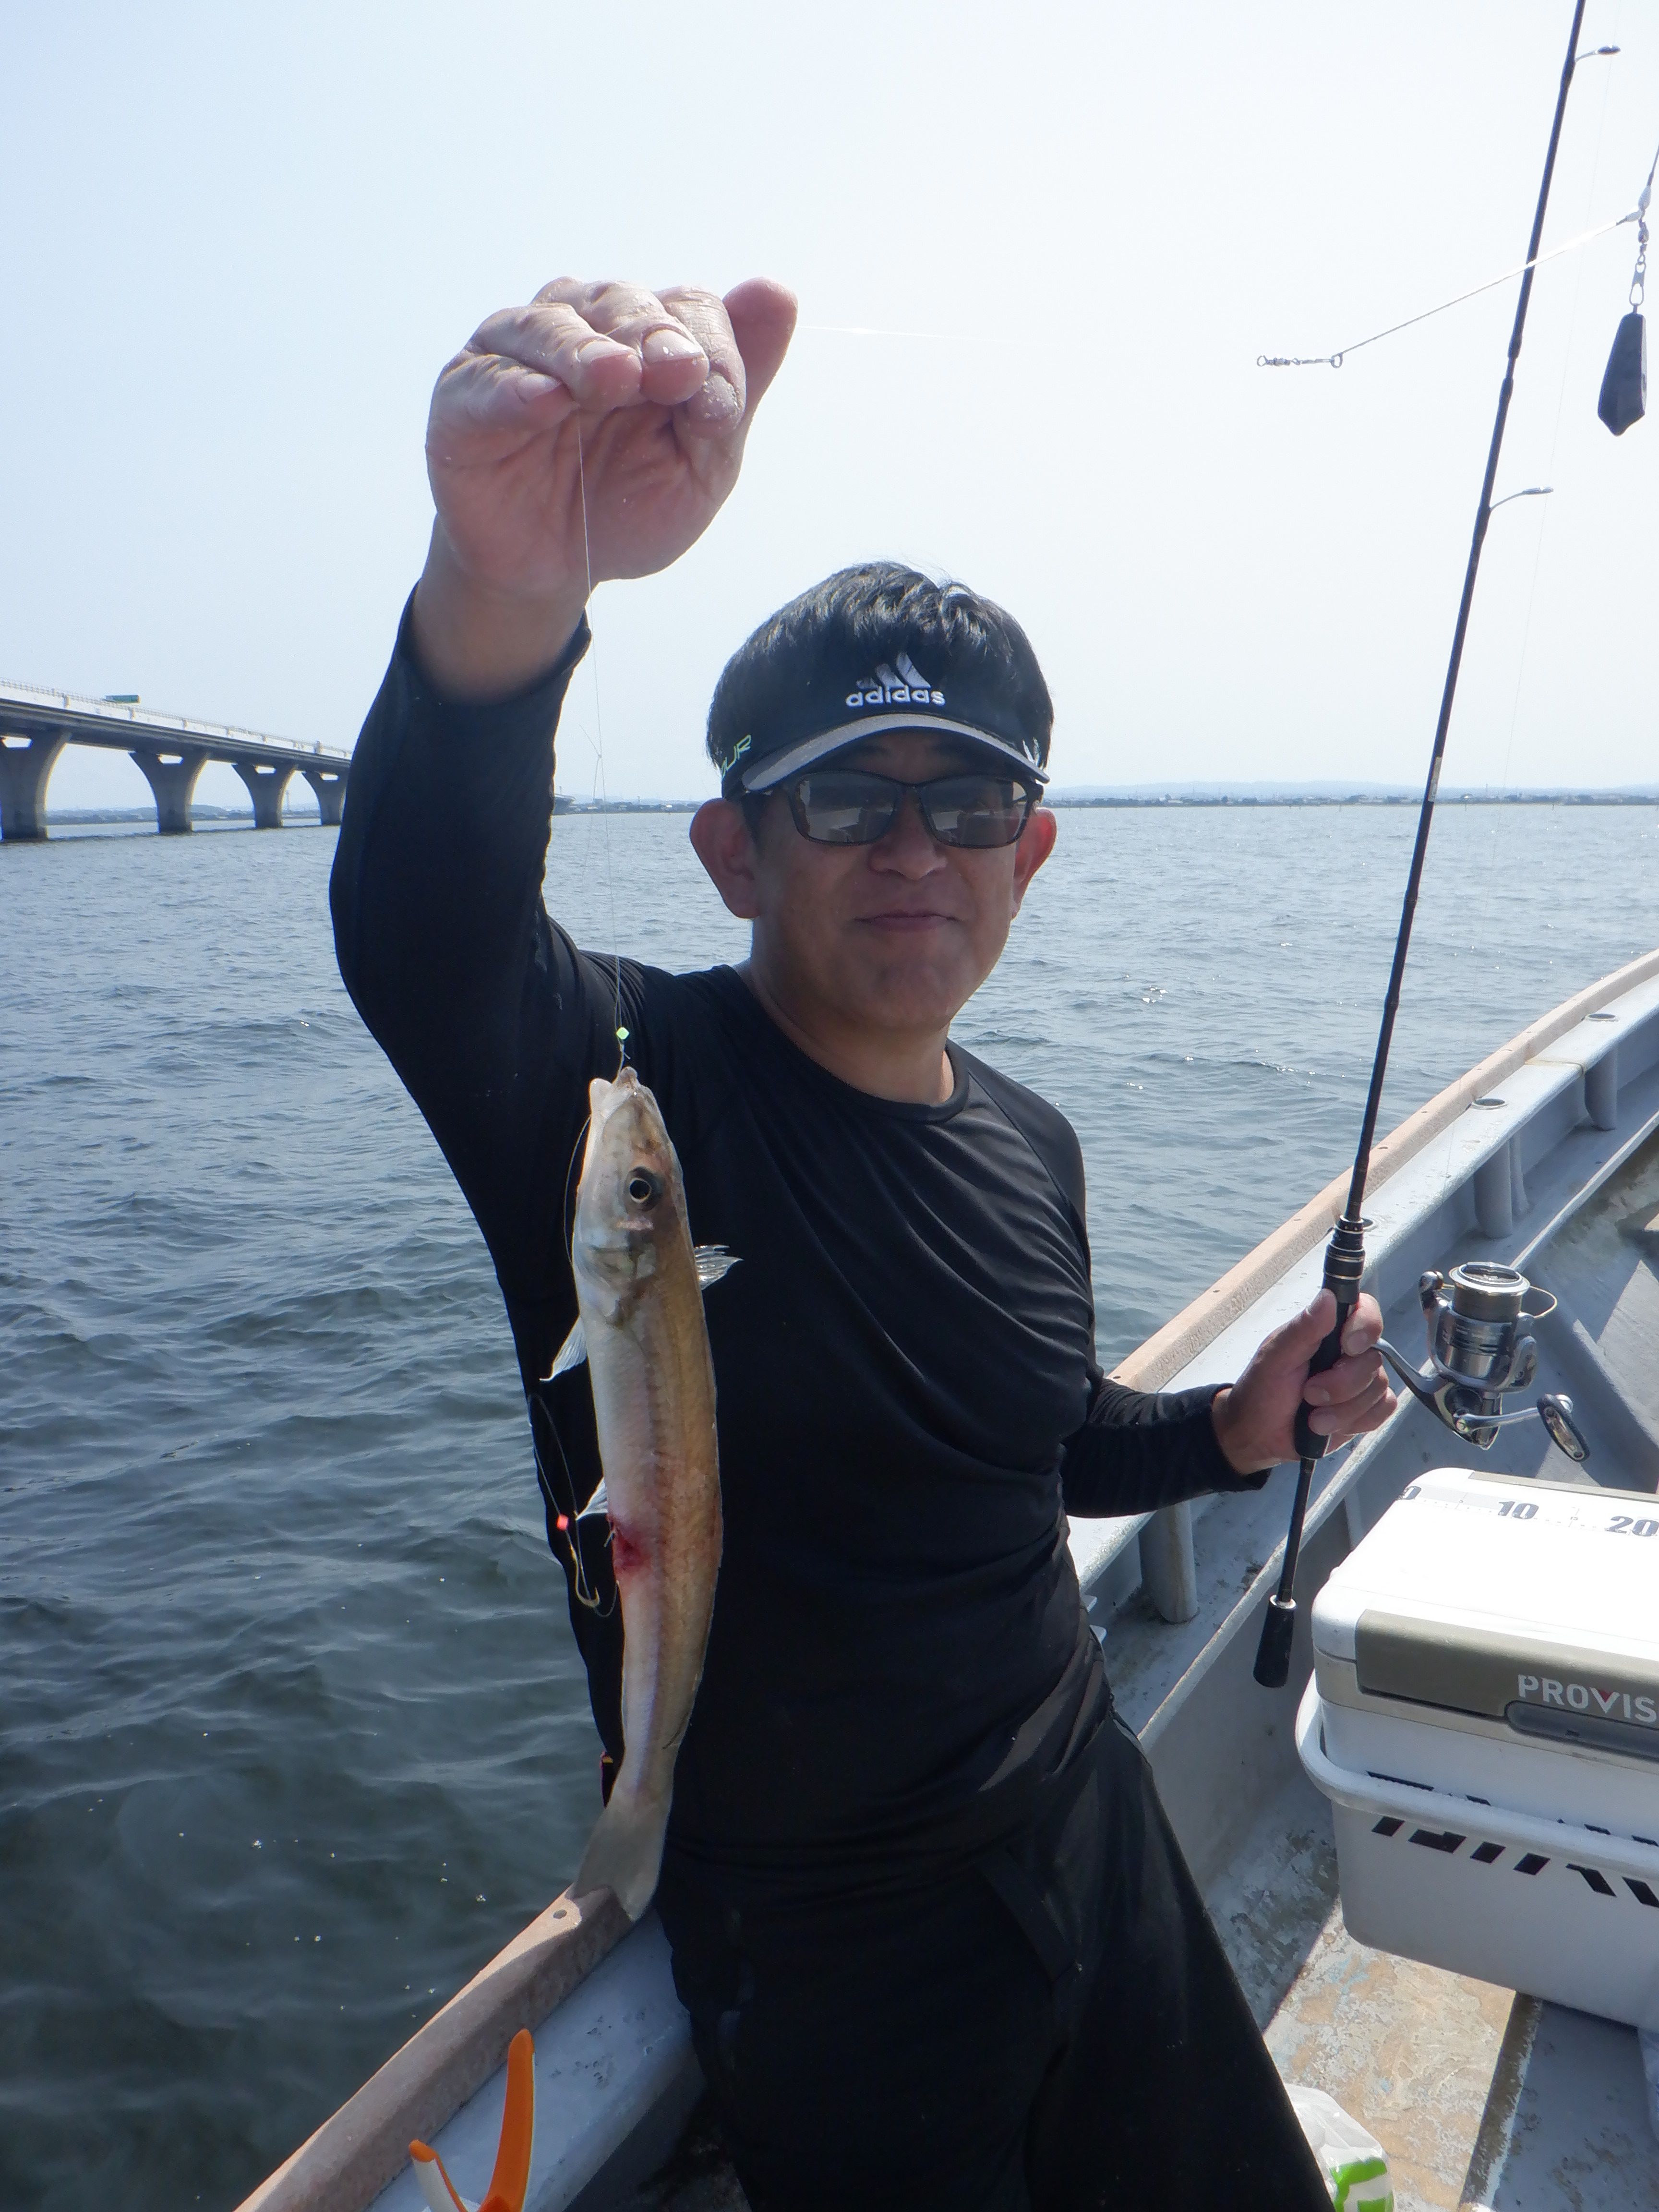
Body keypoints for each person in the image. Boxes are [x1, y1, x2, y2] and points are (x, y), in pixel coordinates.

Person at [331, 276, 1396, 2212]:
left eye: (968, 800)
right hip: (833, 1953)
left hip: (1087, 1817)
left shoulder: (1036, 1146)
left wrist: (1229, 1435)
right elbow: (426, 930)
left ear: (1029, 852)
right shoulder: (627, 1093)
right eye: (846, 798)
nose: (915, 849)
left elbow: (1039, 1449)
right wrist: (504, 588)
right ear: (733, 851)